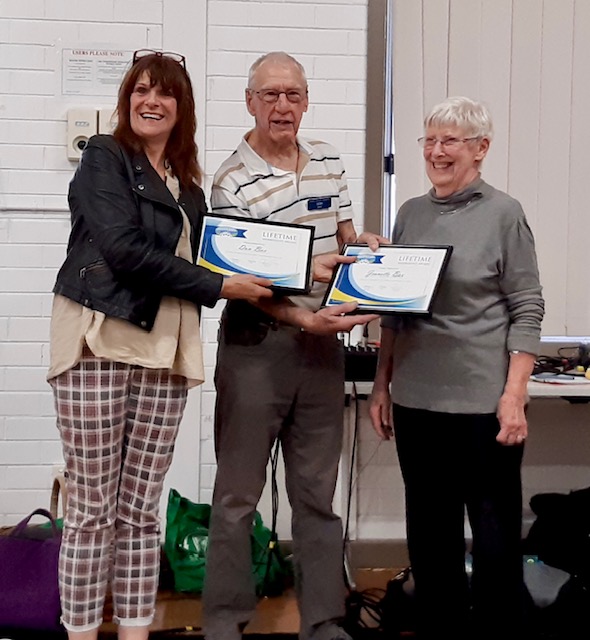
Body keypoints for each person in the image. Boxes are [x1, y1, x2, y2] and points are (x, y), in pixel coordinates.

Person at [47, 50, 280, 640]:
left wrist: (310, 269)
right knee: (91, 510)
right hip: (100, 341)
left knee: (141, 510)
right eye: (141, 90)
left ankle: (135, 632)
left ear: (183, 109)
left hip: (165, 354)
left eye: (165, 93)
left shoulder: (189, 189)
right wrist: (220, 285)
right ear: (127, 99)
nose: (151, 101)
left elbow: (223, 259)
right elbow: (124, 250)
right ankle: (80, 633)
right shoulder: (105, 156)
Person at [202, 51, 388, 640]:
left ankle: (324, 621)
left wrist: (366, 252)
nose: (282, 106)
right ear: (250, 102)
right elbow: (245, 283)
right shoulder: (230, 180)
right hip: (257, 346)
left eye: (293, 95)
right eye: (270, 95)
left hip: (321, 351)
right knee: (237, 497)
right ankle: (224, 622)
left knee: (317, 495)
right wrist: (304, 316)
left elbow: (345, 240)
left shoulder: (328, 159)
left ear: (306, 102)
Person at [369, 96, 545, 640]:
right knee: (429, 539)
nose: (436, 152)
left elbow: (527, 306)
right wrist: (381, 385)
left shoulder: (504, 214)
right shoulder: (410, 213)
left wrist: (514, 395)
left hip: (481, 407)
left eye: (450, 141)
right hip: (416, 402)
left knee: (494, 540)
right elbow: (395, 310)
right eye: (429, 140)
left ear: (481, 148)